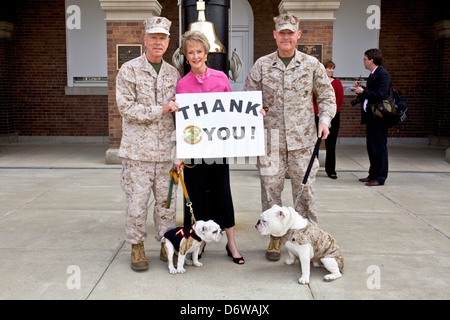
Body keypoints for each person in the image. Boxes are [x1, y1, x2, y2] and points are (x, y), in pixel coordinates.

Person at [244, 14, 336, 261]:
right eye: (281, 33)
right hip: (271, 141)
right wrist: (255, 109)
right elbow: (247, 99)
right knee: (271, 193)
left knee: (305, 193)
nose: (286, 37)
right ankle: (275, 239)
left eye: (290, 33)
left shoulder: (311, 65)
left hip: (303, 142)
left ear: (298, 35)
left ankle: (310, 239)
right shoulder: (262, 65)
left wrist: (325, 120)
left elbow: (327, 96)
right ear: (275, 35)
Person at [116, 16, 181, 271]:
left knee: (167, 205)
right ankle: (136, 246)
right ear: (144, 40)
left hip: (166, 153)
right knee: (137, 203)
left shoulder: (173, 73)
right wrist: (161, 109)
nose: (157, 42)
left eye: (162, 38)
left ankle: (167, 245)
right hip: (137, 153)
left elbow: (180, 114)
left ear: (167, 42)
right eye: (153, 37)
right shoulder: (129, 70)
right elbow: (126, 108)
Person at [175, 30, 244, 265]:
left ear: (207, 53)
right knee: (195, 197)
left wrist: (254, 113)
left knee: (222, 193)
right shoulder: (182, 85)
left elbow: (233, 110)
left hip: (218, 148)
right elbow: (180, 123)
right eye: (190, 52)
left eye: (199, 52)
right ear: (186, 56)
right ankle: (198, 241)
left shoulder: (221, 78)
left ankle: (231, 243)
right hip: (194, 151)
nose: (195, 56)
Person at [352, 48, 391, 186]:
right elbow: (372, 92)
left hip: (379, 117)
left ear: (371, 60)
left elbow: (381, 95)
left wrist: (363, 91)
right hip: (371, 116)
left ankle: (380, 177)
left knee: (379, 146)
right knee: (371, 146)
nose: (363, 61)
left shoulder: (383, 74)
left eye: (365, 58)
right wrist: (361, 88)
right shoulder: (373, 74)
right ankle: (372, 174)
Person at [313, 61, 344, 179]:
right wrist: (318, 112)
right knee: (315, 143)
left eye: (333, 69)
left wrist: (329, 113)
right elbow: (313, 100)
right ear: (323, 69)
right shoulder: (317, 83)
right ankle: (312, 168)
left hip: (334, 116)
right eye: (329, 68)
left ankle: (331, 169)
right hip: (317, 115)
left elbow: (338, 100)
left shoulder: (337, 83)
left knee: (331, 144)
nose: (331, 71)